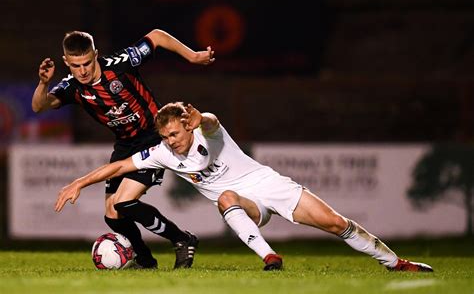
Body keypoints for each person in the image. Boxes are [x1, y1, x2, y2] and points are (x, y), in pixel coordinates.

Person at [54, 102, 433, 272]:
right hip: (242, 204)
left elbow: (213, 121)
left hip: (268, 184)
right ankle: (269, 257)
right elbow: (119, 165)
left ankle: (395, 262)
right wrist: (79, 182)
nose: (171, 141)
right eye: (166, 136)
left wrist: (202, 115)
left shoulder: (206, 131)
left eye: (175, 133)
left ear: (187, 125)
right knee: (226, 197)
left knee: (335, 223)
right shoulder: (164, 153)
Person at [33, 31, 215, 269]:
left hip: (153, 137)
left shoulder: (121, 63)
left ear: (96, 55)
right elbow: (39, 106)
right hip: (124, 144)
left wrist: (191, 56)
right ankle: (145, 260)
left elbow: (158, 36)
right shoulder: (72, 86)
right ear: (67, 62)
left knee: (123, 202)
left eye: (87, 62)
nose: (83, 71)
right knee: (112, 214)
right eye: (76, 65)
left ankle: (182, 239)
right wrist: (44, 83)